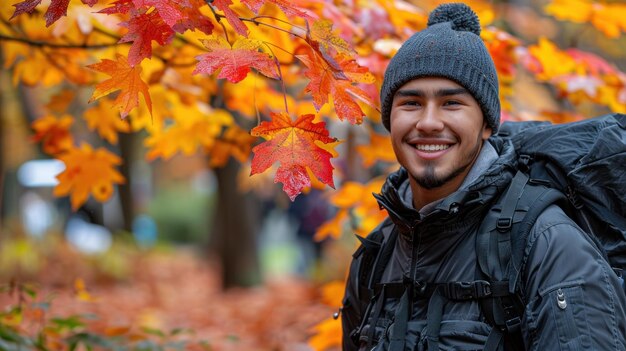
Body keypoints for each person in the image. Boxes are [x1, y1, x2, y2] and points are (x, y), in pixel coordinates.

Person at [340, 3, 626, 350]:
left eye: (452, 104)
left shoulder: (547, 244)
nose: (428, 122)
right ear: (390, 119)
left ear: (487, 124)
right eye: (411, 103)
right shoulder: (377, 254)